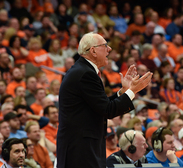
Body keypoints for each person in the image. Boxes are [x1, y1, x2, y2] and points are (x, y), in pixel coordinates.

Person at [57, 32, 152, 168]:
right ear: (93, 50)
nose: (110, 49)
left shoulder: (83, 70)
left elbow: (102, 105)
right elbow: (107, 110)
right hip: (80, 149)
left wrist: (123, 92)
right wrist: (133, 91)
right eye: (105, 45)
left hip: (81, 146)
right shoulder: (85, 74)